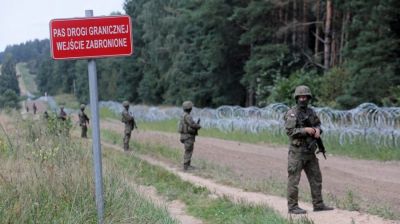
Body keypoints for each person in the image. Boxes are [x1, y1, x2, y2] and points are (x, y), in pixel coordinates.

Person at [284, 85, 334, 214]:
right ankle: (293, 206)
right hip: (297, 152)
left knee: (316, 178)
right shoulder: (292, 113)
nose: (303, 99)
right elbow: (290, 132)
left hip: (310, 151)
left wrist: (318, 130)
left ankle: (318, 204)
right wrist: (305, 130)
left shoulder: (311, 112)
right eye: (300, 96)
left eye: (305, 96)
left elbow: (318, 124)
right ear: (296, 98)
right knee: (294, 180)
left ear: (308, 98)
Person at [178, 101, 201, 171]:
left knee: (188, 150)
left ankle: (187, 165)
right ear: (189, 108)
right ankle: (186, 166)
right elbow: (192, 124)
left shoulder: (183, 115)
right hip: (188, 136)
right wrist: (198, 126)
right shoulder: (187, 116)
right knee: (188, 150)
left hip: (184, 135)